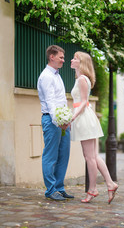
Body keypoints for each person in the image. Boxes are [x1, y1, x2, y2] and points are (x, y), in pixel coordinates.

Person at [70, 51, 118, 204]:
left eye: (75, 58)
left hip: (84, 118)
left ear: (81, 62)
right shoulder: (81, 79)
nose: (72, 60)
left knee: (90, 157)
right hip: (85, 117)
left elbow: (83, 102)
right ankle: (109, 184)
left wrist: (72, 117)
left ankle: (94, 189)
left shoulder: (82, 79)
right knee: (93, 156)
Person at [37, 45, 74, 201]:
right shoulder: (46, 76)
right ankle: (50, 190)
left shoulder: (57, 75)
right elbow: (51, 102)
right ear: (51, 57)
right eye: (61, 57)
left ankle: (59, 188)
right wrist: (58, 121)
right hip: (52, 121)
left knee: (63, 155)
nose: (63, 60)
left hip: (62, 122)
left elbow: (61, 101)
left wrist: (66, 120)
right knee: (50, 156)